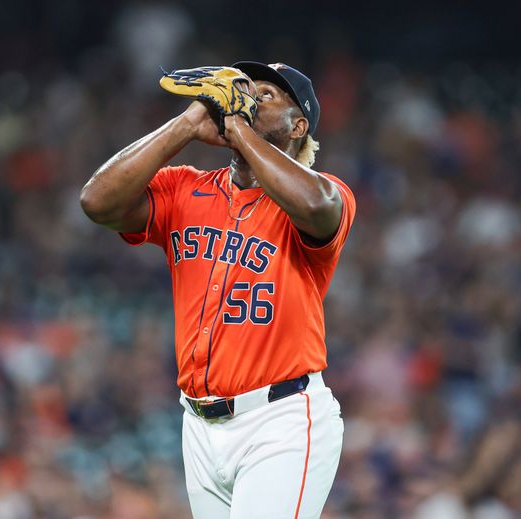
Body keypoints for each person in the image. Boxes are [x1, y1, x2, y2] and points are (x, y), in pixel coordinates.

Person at [80, 61, 356, 519]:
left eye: (264, 95)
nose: (246, 99)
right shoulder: (186, 188)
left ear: (298, 125)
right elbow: (97, 202)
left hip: (281, 420)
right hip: (200, 426)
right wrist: (186, 124)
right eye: (242, 91)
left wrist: (237, 128)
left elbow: (316, 206)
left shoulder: (329, 192)